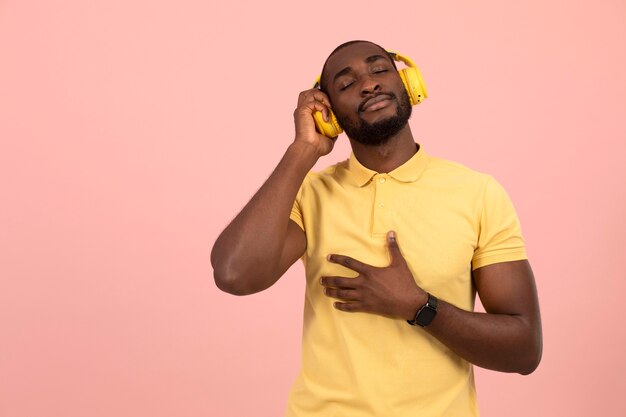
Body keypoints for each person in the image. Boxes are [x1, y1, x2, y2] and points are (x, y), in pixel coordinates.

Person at [211, 40, 542, 417]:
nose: (368, 84)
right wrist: (302, 150)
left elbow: (524, 349)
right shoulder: (310, 194)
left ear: (408, 84)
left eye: (379, 70)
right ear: (328, 112)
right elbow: (234, 274)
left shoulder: (478, 193)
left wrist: (418, 306)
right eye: (347, 83)